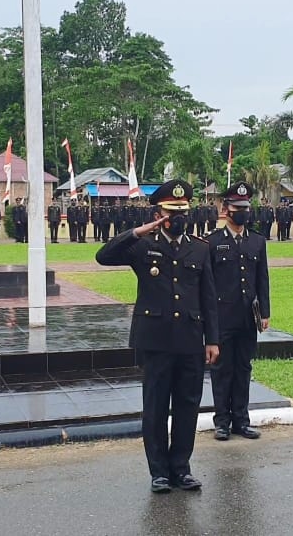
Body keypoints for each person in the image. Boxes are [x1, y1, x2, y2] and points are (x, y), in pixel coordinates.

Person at [95, 179, 219, 494]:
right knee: (156, 407)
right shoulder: (142, 245)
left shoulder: (200, 248)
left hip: (190, 340)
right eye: (170, 212)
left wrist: (213, 340)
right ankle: (159, 473)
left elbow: (209, 299)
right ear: (159, 212)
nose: (177, 218)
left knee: (188, 406)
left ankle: (181, 469)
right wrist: (138, 230)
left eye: (182, 212)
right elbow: (103, 256)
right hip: (155, 340)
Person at [208, 182, 270, 441]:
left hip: (247, 317)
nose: (242, 212)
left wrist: (265, 312)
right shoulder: (212, 242)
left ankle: (241, 421)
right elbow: (208, 286)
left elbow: (262, 279)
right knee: (222, 370)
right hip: (223, 317)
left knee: (243, 368)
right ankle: (222, 422)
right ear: (226, 209)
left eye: (246, 207)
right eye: (237, 208)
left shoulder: (257, 241)